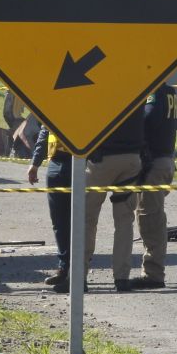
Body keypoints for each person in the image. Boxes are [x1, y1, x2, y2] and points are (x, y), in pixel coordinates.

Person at [83, 111, 145, 293]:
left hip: (101, 158)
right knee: (125, 221)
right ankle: (122, 278)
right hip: (131, 158)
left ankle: (79, 275)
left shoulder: (98, 88)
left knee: (86, 219)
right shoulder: (137, 89)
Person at [130, 85, 177, 290]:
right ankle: (153, 271)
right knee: (152, 216)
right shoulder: (171, 92)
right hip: (165, 160)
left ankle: (153, 274)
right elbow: (176, 123)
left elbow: (147, 119)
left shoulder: (154, 92)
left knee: (150, 219)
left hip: (154, 164)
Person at [27, 126, 73, 290]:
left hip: (80, 161)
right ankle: (64, 267)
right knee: (59, 222)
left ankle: (79, 272)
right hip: (55, 163)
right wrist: (35, 163)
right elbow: (45, 131)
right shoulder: (55, 102)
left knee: (81, 221)